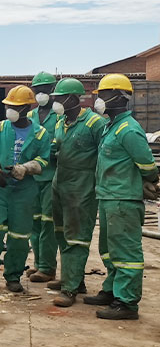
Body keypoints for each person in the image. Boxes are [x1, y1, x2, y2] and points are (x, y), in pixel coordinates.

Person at [83, 74, 159, 320]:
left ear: (120, 97)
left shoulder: (128, 130)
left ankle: (126, 302)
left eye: (103, 96)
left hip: (123, 199)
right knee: (109, 249)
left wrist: (149, 182)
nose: (99, 101)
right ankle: (112, 290)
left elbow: (148, 165)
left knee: (126, 252)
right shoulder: (111, 126)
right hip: (109, 196)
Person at [0, 85, 52, 293]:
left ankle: (13, 275)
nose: (10, 110)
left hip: (24, 192)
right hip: (1, 189)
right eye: (8, 106)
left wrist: (25, 168)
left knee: (19, 236)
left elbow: (43, 161)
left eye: (14, 106)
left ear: (26, 108)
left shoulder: (41, 134)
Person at [46, 78, 106, 307]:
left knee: (77, 238)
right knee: (61, 233)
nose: (56, 102)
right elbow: (55, 147)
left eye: (60, 98)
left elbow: (105, 155)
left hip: (82, 188)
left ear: (73, 98)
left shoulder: (94, 124)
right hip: (60, 184)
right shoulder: (61, 121)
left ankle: (70, 289)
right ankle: (74, 279)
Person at [25, 71, 60, 284]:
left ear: (53, 91)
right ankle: (39, 263)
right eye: (38, 90)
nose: (41, 94)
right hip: (33, 176)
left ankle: (48, 267)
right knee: (34, 223)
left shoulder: (61, 116)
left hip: (52, 176)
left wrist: (49, 148)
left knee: (48, 223)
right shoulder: (30, 116)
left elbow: (62, 143)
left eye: (45, 90)